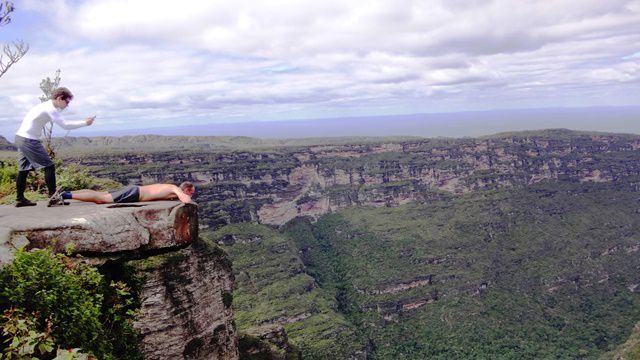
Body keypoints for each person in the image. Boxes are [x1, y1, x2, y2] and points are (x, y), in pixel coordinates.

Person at [14, 87, 95, 207]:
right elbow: (65, 125)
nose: (67, 105)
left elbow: (59, 117)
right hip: (29, 140)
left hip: (20, 137)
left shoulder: (45, 105)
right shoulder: (50, 108)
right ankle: (54, 197)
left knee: (24, 169)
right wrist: (85, 123)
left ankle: (20, 199)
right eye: (66, 102)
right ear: (59, 98)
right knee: (49, 166)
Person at [48, 182, 196, 206]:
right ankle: (63, 196)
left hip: (134, 190)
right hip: (134, 193)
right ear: (186, 189)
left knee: (98, 194)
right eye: (192, 192)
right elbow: (186, 201)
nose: (193, 195)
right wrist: (186, 196)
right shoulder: (175, 188)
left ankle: (66, 193)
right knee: (100, 199)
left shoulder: (170, 188)